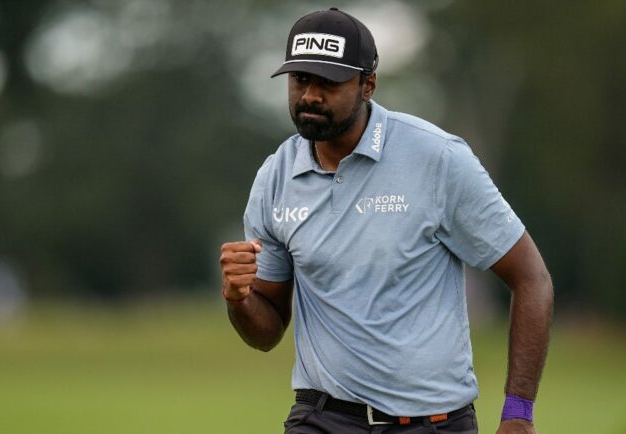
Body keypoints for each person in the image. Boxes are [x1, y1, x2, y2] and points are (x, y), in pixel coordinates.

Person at [219, 7, 553, 434]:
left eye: (329, 83)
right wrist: (239, 297)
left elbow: (532, 278)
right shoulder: (275, 178)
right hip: (321, 419)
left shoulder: (438, 158)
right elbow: (266, 333)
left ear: (368, 85)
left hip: (431, 425)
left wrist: (519, 413)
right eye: (301, 80)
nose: (310, 96)